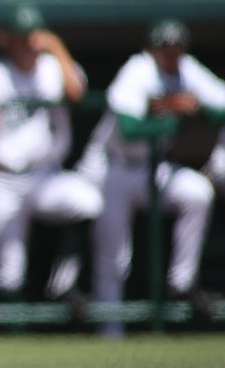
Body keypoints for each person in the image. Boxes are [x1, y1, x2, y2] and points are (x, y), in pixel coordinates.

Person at [75, 19, 225, 334]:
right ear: (151, 49)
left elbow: (220, 104)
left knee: (197, 192)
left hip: (151, 168)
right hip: (113, 167)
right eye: (164, 49)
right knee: (114, 258)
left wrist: (197, 109)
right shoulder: (138, 69)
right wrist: (172, 115)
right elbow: (130, 130)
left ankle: (181, 284)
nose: (171, 55)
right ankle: (110, 331)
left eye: (177, 49)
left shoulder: (187, 70)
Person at [0, 4, 102, 311]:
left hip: (46, 175)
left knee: (88, 202)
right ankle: (8, 338)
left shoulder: (51, 67)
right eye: (18, 38)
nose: (25, 44)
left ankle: (62, 284)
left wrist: (56, 46)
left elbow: (76, 93)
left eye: (30, 37)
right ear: (7, 40)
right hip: (4, 177)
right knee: (9, 272)